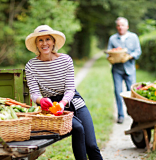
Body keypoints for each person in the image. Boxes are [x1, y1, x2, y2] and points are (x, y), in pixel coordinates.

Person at [25, 25, 103, 160]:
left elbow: (70, 89)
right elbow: (34, 93)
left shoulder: (65, 60)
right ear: (36, 44)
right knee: (78, 128)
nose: (44, 43)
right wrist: (40, 100)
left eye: (48, 39)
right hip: (51, 106)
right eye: (40, 40)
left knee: (91, 145)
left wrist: (63, 103)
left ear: (53, 42)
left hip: (73, 100)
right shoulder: (31, 66)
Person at [107, 17, 142, 124]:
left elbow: (138, 51)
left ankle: (133, 114)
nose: (120, 27)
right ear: (116, 27)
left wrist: (130, 56)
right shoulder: (113, 39)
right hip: (117, 70)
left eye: (122, 25)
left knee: (132, 93)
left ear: (127, 26)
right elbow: (109, 53)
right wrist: (110, 58)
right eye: (118, 25)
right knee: (118, 92)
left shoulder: (133, 37)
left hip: (130, 69)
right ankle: (120, 115)